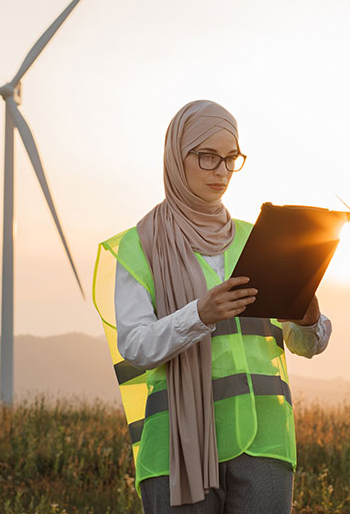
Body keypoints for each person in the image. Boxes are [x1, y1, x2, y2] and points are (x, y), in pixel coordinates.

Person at [93, 100, 331, 514]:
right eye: (207, 157)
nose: (221, 171)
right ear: (175, 157)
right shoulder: (139, 247)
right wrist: (199, 314)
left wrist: (309, 318)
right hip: (177, 449)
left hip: (265, 442)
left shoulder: (258, 238)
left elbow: (307, 344)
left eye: (230, 158)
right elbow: (134, 346)